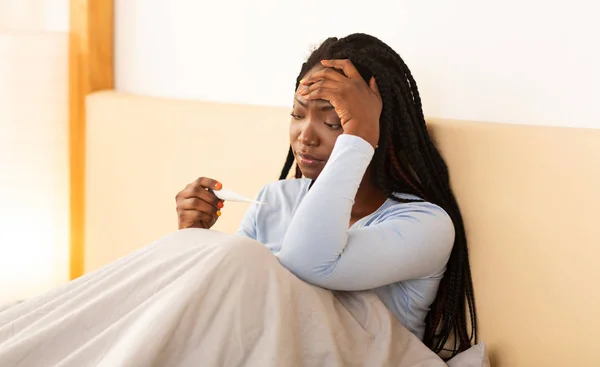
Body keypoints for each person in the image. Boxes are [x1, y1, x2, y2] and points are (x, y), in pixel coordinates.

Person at [175, 33, 477, 357]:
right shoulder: (275, 199)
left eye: (333, 122)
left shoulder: (426, 225)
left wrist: (360, 137)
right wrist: (192, 238)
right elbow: (230, 306)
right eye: (297, 113)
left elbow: (307, 262)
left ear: (375, 131)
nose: (305, 136)